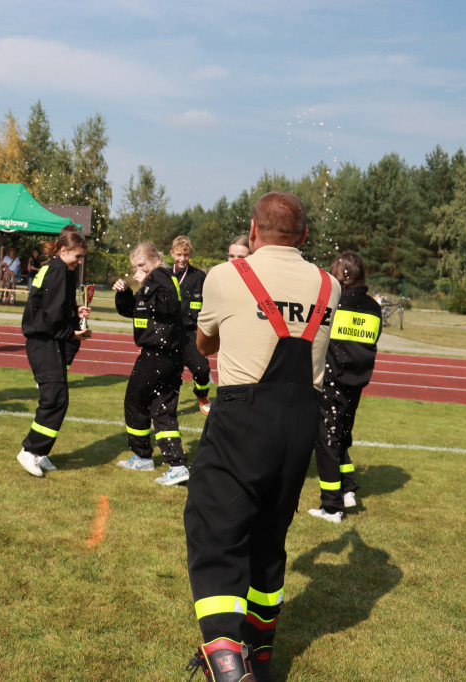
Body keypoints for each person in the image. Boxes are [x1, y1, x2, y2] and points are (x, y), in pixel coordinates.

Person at [183, 191, 339, 681]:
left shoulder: (227, 276)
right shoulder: (328, 284)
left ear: (252, 231)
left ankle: (228, 665)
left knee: (216, 528)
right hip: (300, 422)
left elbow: (204, 340)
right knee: (270, 535)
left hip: (243, 412)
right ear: (305, 236)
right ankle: (260, 653)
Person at [309, 252, 381, 523]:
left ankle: (331, 507)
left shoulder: (332, 303)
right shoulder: (373, 307)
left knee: (326, 440)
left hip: (332, 380)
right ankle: (348, 489)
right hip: (356, 382)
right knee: (340, 435)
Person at [112, 242, 191, 485]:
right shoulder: (156, 280)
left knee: (135, 401)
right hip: (168, 354)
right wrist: (124, 292)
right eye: (135, 267)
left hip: (158, 352)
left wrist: (146, 282)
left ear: (156, 259)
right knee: (162, 407)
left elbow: (168, 306)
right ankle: (177, 464)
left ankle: (142, 455)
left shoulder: (160, 276)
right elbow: (133, 311)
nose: (139, 270)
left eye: (141, 265)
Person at [16, 229, 91, 477]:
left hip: (48, 340)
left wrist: (76, 311)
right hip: (43, 342)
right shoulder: (59, 270)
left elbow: (57, 307)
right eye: (77, 257)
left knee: (59, 398)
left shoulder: (60, 269)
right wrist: (72, 333)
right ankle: (30, 451)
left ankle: (40, 453)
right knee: (54, 399)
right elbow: (51, 316)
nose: (80, 262)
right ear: (63, 251)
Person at [170, 236, 213, 416]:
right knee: (170, 372)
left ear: (190, 255)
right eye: (179, 254)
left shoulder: (199, 276)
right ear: (172, 253)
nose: (182, 259)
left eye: (186, 255)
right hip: (170, 332)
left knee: (202, 369)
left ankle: (202, 395)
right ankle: (167, 406)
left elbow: (211, 302)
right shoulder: (164, 274)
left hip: (191, 332)